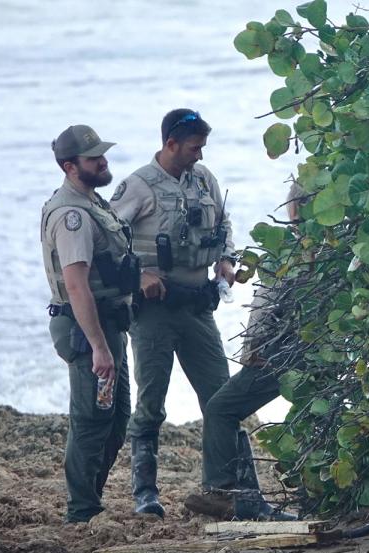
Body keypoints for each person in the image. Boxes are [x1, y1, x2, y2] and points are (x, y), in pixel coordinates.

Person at [110, 109, 236, 518]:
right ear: (170, 144)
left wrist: (226, 261)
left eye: (202, 147)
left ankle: (231, 487)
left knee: (223, 397)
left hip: (198, 305)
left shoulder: (204, 180)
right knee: (151, 403)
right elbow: (108, 238)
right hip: (155, 312)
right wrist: (141, 271)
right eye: (194, 148)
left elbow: (224, 224)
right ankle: (145, 493)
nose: (199, 155)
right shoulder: (139, 186)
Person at [184, 183, 311, 521]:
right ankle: (298, 497)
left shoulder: (288, 249)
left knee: (222, 409)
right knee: (310, 415)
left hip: (282, 354)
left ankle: (226, 492)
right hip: (323, 354)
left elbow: (265, 308)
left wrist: (250, 348)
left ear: (294, 210)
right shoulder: (339, 248)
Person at [42, 125, 139, 523]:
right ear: (70, 167)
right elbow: (77, 286)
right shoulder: (72, 216)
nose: (103, 162)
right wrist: (99, 347)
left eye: (102, 154)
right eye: (93, 158)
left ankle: (88, 501)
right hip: (87, 330)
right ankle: (81, 511)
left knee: (116, 419)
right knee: (91, 420)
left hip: (106, 326)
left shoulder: (93, 202)